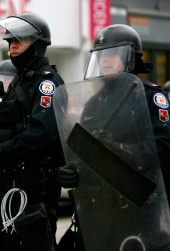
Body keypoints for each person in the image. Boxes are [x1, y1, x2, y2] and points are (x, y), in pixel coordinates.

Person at [58, 24, 170, 250]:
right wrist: (73, 172)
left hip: (137, 209)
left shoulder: (149, 97)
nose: (105, 60)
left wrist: (120, 149)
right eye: (101, 55)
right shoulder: (93, 103)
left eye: (113, 53)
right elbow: (87, 153)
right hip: (100, 211)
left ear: (131, 57)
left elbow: (162, 149)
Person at [0, 12, 65, 250]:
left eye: (19, 40)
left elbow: (42, 134)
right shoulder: (20, 81)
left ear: (37, 46)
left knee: (35, 241)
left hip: (38, 183)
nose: (12, 45)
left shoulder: (46, 83)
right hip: (13, 179)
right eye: (9, 41)